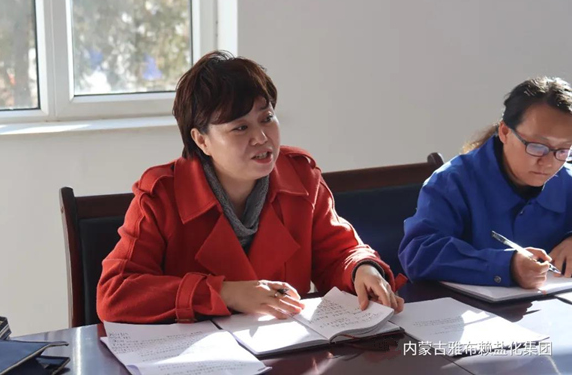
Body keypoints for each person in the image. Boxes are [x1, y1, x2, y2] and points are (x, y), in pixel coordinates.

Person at [97, 51, 404, 324]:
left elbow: (339, 253)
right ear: (201, 140)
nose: (262, 137)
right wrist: (225, 292)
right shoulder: (162, 195)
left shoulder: (300, 176)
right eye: (241, 127)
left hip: (285, 349)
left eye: (267, 118)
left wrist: (361, 269)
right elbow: (115, 293)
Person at [399, 76, 572, 289]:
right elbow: (419, 255)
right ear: (505, 132)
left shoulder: (567, 179)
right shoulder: (452, 181)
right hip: (470, 307)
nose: (549, 162)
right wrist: (507, 267)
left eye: (563, 150)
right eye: (537, 146)